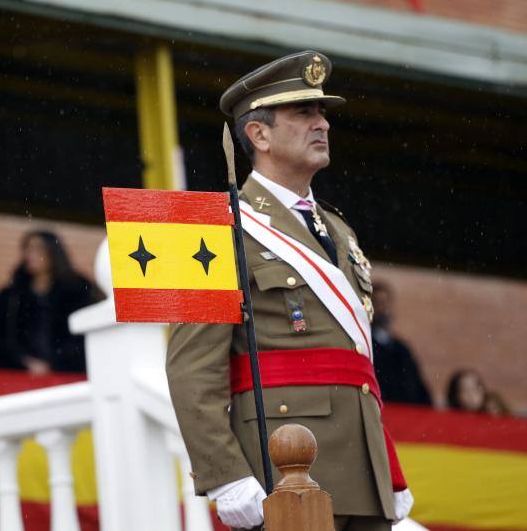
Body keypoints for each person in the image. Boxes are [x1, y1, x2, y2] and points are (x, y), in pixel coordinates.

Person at [166, 51, 413, 531]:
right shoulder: (208, 226)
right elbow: (191, 368)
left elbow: (354, 363)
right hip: (279, 466)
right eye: (303, 112)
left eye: (322, 113)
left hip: (362, 468)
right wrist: (226, 475)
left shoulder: (339, 230)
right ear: (258, 134)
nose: (322, 123)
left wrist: (389, 470)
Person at [0, 230, 102, 374]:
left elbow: (82, 337)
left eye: (38, 248)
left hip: (69, 374)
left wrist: (54, 364)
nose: (30, 254)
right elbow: (2, 339)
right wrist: (25, 362)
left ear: (53, 252)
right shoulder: (11, 296)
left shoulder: (78, 292)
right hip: (17, 374)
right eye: (27, 248)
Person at [371, 281, 432, 405]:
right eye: (377, 303)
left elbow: (419, 390)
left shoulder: (402, 349)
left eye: (386, 303)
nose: (383, 308)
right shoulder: (365, 346)